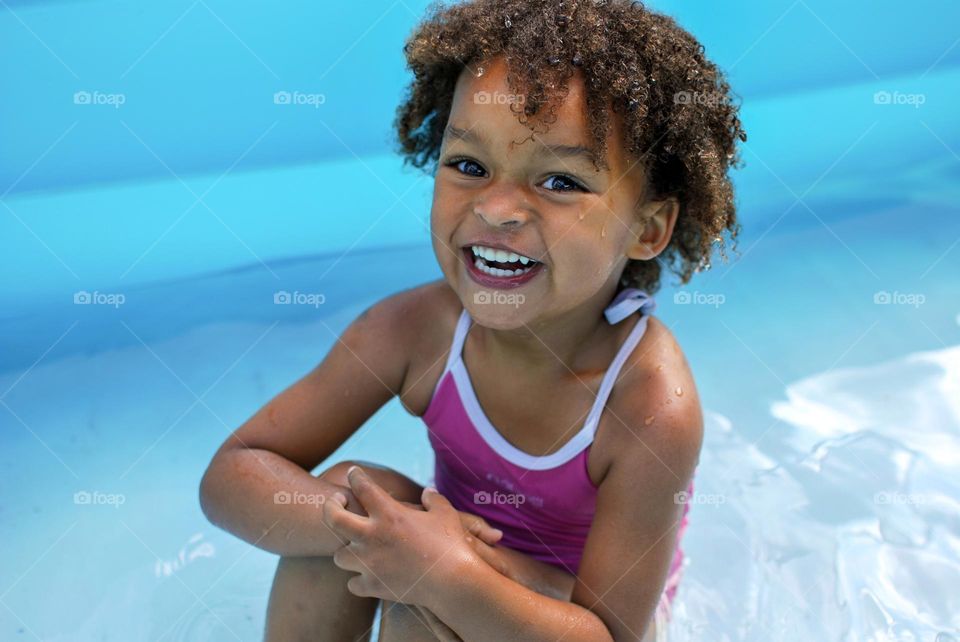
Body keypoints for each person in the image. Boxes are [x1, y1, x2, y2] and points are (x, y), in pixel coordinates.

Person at [200, 1, 746, 639]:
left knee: (420, 605)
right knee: (355, 505)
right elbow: (232, 473)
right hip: (450, 553)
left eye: (560, 181)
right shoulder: (416, 330)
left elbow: (610, 634)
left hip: (578, 615)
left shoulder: (649, 405)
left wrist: (449, 573)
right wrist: (363, 531)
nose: (497, 208)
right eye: (469, 166)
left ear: (647, 229)